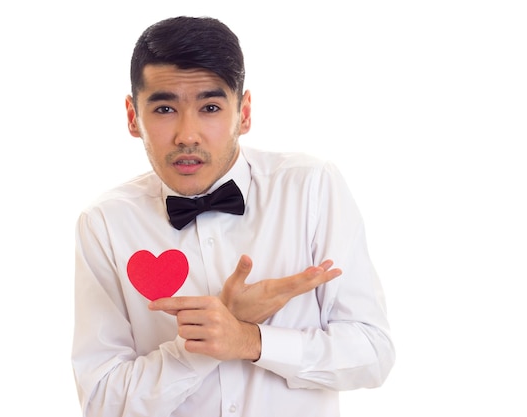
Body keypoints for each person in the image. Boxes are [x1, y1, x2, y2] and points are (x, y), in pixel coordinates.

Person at [72, 16, 395, 417]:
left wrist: (250, 340)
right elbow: (102, 401)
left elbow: (372, 353)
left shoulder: (310, 187)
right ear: (132, 116)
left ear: (243, 113)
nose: (187, 135)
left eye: (210, 107)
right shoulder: (105, 224)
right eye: (165, 108)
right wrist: (202, 344)